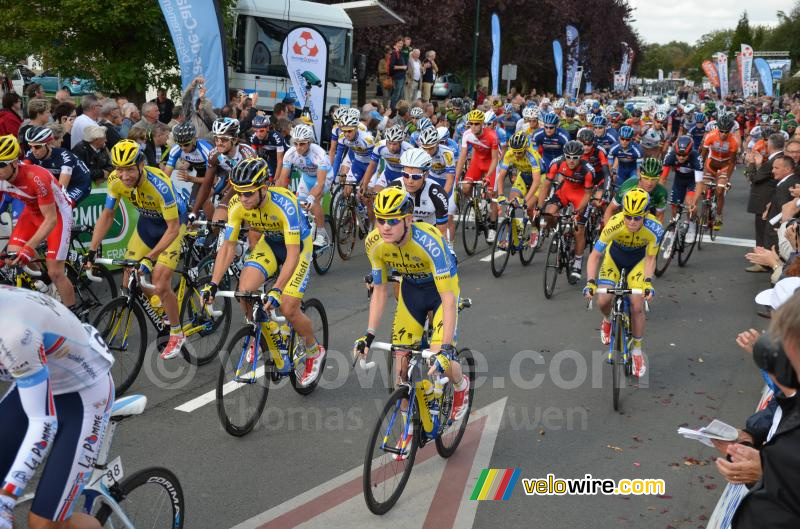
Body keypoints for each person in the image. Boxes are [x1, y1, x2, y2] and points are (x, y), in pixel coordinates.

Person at [354, 187, 469, 459]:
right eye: (380, 219)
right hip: (411, 292)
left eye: (392, 220)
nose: (384, 226)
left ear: (407, 219)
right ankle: (407, 427)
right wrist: (368, 334)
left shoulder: (430, 241)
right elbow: (381, 291)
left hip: (442, 293)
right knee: (400, 363)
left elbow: (448, 300)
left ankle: (461, 386)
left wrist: (444, 349)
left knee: (440, 352)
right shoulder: (374, 243)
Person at [201, 157, 326, 386]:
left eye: (248, 193)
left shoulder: (284, 205)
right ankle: (260, 331)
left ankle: (313, 350)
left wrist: (277, 290)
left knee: (288, 306)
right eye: (239, 192)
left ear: (263, 188)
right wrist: (214, 283)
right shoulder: (238, 207)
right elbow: (228, 247)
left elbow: (292, 254)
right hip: (270, 244)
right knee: (244, 292)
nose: (242, 198)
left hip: (297, 247)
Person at [0, 286, 114, 529]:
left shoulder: (13, 334)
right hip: (35, 382)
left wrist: (7, 496)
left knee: (43, 523)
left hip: (83, 395)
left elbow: (43, 423)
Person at [86, 139, 189, 359]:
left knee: (160, 282)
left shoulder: (159, 185)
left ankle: (177, 332)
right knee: (129, 279)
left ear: (141, 165)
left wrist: (150, 258)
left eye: (130, 169)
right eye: (119, 170)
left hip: (172, 226)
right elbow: (107, 215)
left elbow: (172, 230)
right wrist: (92, 250)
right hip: (147, 225)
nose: (124, 176)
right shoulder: (115, 181)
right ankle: (161, 306)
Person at [584, 187, 662, 377]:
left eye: (637, 218)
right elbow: (595, 255)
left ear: (645, 214)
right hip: (614, 259)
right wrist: (591, 282)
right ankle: (607, 320)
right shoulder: (614, 224)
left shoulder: (655, 228)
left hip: (638, 262)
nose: (632, 222)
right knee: (603, 300)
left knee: (636, 306)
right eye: (628, 216)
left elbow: (651, 259)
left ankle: (636, 351)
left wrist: (648, 282)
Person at [0, 136, 76, 308]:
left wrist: (29, 248)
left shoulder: (36, 177)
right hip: (32, 212)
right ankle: (43, 287)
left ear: (14, 163)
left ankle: (77, 319)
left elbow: (51, 220)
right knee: (13, 254)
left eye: (0, 165)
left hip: (57, 214)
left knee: (55, 271)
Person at [537, 140, 595, 279]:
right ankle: (557, 235)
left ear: (581, 157)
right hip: (565, 191)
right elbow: (545, 186)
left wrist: (578, 211)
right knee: (549, 213)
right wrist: (538, 208)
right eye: (568, 156)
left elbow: (588, 195)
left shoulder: (587, 170)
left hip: (580, 196)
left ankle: (578, 263)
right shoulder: (557, 163)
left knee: (579, 230)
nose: (571, 160)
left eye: (575, 158)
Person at [277, 124, 332, 247]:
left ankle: (322, 234)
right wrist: (278, 195)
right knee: (298, 203)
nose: (298, 147)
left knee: (313, 202)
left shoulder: (319, 154)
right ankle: (307, 228)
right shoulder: (290, 154)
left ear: (309, 142)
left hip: (324, 177)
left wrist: (311, 197)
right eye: (295, 143)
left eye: (302, 144)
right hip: (306, 177)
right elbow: (282, 179)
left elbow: (321, 182)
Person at [192, 117, 256, 220]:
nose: (219, 143)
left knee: (248, 220)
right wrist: (194, 212)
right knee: (217, 222)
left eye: (224, 139)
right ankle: (214, 233)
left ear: (235, 140)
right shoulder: (214, 155)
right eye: (216, 139)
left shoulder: (247, 155)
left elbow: (252, 187)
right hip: (231, 180)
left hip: (250, 186)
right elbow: (206, 185)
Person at [455, 109, 500, 242]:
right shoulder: (467, 134)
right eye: (471, 124)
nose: (473, 126)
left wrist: (488, 176)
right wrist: (457, 177)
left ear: (482, 124)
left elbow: (495, 159)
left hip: (491, 164)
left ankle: (492, 227)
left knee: (492, 195)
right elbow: (462, 157)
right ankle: (475, 205)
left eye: (476, 124)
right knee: (466, 187)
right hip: (477, 162)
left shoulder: (492, 136)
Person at [24, 126, 92, 208]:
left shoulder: (64, 157)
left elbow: (60, 190)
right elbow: (22, 174)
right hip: (58, 180)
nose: (33, 150)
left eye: (37, 146)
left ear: (48, 144)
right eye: (30, 146)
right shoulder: (31, 154)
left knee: (63, 206)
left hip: (79, 183)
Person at [387, 148, 449, 235]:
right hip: (402, 235)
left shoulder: (437, 194)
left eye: (416, 177)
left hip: (431, 235)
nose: (410, 181)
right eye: (406, 175)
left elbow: (442, 232)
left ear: (426, 174)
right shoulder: (393, 189)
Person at [699, 113, 739, 230]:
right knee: (704, 189)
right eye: (721, 131)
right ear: (718, 129)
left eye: (726, 132)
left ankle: (719, 216)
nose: (723, 134)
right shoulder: (710, 136)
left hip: (725, 167)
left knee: (720, 190)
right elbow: (703, 155)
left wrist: (727, 179)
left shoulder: (734, 141)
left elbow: (732, 162)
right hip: (711, 165)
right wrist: (699, 172)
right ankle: (705, 212)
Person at [164, 121, 213, 211]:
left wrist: (191, 179)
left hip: (217, 174)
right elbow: (165, 178)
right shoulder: (176, 150)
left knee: (204, 199)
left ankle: (212, 222)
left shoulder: (206, 150)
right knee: (192, 206)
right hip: (201, 174)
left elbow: (213, 180)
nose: (183, 148)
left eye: (186, 144)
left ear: (194, 139)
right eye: (179, 145)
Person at [604, 157, 668, 225]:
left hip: (647, 218)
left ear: (659, 178)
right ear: (640, 175)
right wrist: (608, 231)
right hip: (627, 216)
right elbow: (610, 209)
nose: (649, 183)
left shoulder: (661, 193)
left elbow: (659, 217)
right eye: (646, 178)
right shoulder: (628, 187)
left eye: (653, 179)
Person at [388, 37, 407, 110]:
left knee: (400, 95)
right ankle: (393, 109)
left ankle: (398, 109)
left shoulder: (399, 53)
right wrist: (402, 67)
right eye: (399, 43)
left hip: (401, 77)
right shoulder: (394, 53)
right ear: (395, 44)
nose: (401, 45)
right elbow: (392, 66)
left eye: (402, 43)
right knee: (396, 94)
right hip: (397, 77)